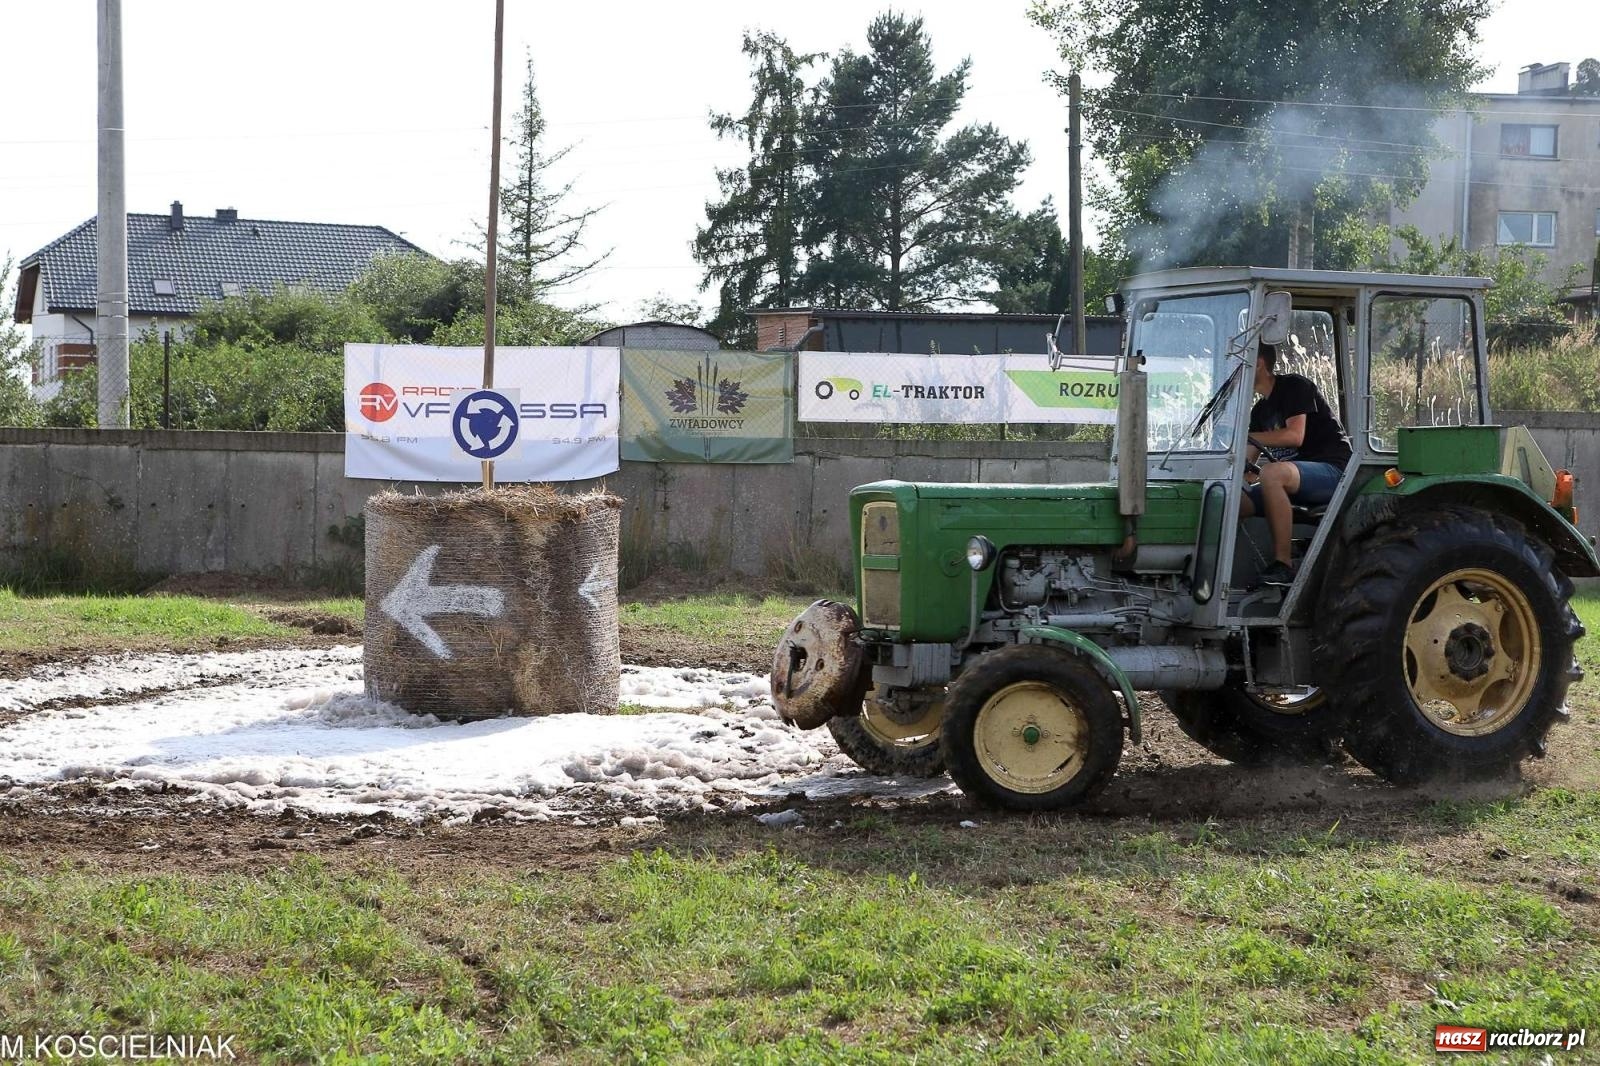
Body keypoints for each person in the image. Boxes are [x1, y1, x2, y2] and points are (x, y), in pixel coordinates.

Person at [1240, 342, 1351, 586]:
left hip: (1335, 471)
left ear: (1258, 363)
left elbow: (1294, 436)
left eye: (1241, 363)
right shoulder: (1259, 411)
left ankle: (1284, 564)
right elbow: (1248, 461)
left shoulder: (1294, 387)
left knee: (1272, 474)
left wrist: (1242, 437)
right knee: (1235, 500)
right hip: (1297, 475)